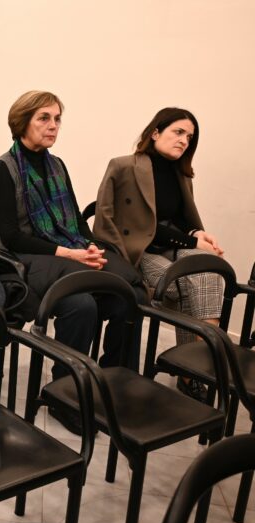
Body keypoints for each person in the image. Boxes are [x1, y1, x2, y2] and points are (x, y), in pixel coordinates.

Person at [0, 90, 147, 430]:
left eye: (57, 119)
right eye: (44, 118)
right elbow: (12, 238)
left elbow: (75, 221)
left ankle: (114, 383)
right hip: (20, 261)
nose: (53, 125)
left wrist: (89, 247)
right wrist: (69, 253)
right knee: (81, 305)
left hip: (65, 253)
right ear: (22, 122)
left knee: (130, 296)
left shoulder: (57, 165)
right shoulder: (2, 169)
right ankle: (63, 393)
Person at [93, 107, 224, 400]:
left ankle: (200, 363)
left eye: (189, 137)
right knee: (179, 283)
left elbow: (182, 222)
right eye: (178, 132)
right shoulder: (123, 166)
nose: (184, 141)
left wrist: (198, 235)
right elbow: (108, 222)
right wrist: (190, 241)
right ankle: (193, 371)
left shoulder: (182, 175)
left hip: (173, 247)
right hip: (138, 253)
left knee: (210, 271)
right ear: (155, 133)